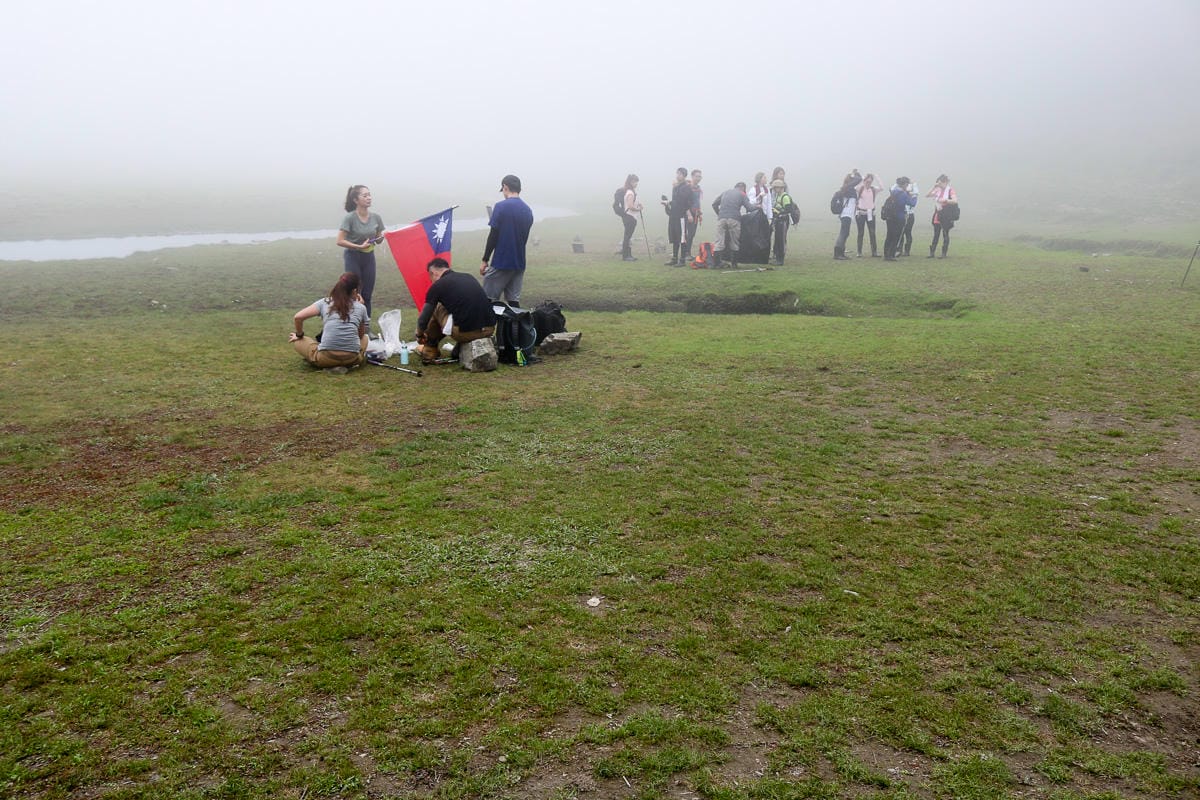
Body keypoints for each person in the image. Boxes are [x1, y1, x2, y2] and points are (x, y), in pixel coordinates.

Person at [416, 258, 497, 363]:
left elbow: (424, 318)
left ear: (433, 273)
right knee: (461, 309)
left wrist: (419, 334)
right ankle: (459, 349)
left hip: (465, 333)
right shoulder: (469, 277)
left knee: (436, 308)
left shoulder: (438, 285)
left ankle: (430, 349)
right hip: (489, 329)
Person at [290, 272, 369, 370]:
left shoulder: (325, 302)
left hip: (325, 359)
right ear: (354, 290)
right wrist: (360, 307)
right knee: (365, 338)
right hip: (352, 359)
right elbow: (360, 335)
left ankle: (324, 358)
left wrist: (299, 335)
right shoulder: (361, 307)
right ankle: (348, 363)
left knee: (299, 341)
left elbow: (298, 317)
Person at [481, 174, 534, 302]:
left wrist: (485, 259)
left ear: (505, 187)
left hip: (502, 262)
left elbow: (493, 235)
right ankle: (514, 323)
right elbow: (523, 239)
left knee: (488, 300)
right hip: (519, 263)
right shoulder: (528, 210)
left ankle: (491, 322)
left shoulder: (501, 207)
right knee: (513, 303)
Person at [336, 185, 385, 319]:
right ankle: (350, 323)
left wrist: (381, 238)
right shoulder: (350, 218)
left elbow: (379, 240)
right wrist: (359, 247)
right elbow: (339, 241)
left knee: (367, 294)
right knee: (354, 293)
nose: (369, 198)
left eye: (369, 195)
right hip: (352, 256)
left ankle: (366, 327)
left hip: (369, 257)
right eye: (365, 195)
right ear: (356, 200)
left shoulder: (376, 217)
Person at [711, 181, 755, 269]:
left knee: (719, 242)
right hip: (734, 219)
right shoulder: (742, 194)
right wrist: (758, 206)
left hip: (722, 219)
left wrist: (719, 214)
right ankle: (734, 264)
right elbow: (749, 208)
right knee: (734, 242)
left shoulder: (725, 192)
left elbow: (714, 204)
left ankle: (716, 264)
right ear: (743, 189)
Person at [662, 167, 693, 266]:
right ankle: (674, 258)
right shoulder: (675, 187)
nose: (677, 176)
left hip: (681, 216)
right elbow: (675, 201)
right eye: (677, 173)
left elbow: (683, 201)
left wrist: (669, 202)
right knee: (674, 237)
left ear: (684, 175)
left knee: (682, 237)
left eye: (680, 174)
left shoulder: (686, 187)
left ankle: (682, 260)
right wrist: (668, 204)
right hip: (674, 215)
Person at [882, 177, 917, 261]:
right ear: (904, 184)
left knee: (889, 235)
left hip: (889, 217)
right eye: (907, 184)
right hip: (899, 217)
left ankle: (886, 254)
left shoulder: (894, 192)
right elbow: (912, 203)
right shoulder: (903, 194)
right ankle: (891, 255)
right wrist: (915, 196)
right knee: (896, 236)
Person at [926, 174, 958, 258]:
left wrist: (946, 200)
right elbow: (927, 195)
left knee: (945, 233)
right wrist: (934, 187)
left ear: (946, 182)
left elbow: (955, 201)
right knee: (936, 233)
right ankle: (932, 252)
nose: (940, 185)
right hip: (938, 213)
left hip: (946, 214)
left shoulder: (950, 190)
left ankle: (944, 253)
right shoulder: (938, 190)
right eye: (939, 183)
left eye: (941, 183)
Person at [833, 170, 862, 260]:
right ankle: (837, 254)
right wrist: (855, 173)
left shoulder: (847, 188)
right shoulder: (848, 187)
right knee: (844, 233)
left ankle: (841, 253)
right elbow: (859, 179)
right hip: (846, 214)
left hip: (847, 214)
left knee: (845, 233)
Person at [855, 173, 883, 258]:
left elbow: (882, 187)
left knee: (872, 233)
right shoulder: (860, 188)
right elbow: (855, 186)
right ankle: (859, 252)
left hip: (870, 214)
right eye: (867, 181)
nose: (868, 183)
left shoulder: (874, 189)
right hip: (860, 213)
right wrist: (863, 179)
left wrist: (877, 177)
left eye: (870, 181)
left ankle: (874, 252)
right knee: (861, 233)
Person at [769, 178, 795, 266]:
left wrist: (779, 213)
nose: (774, 190)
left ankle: (781, 260)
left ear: (780, 188)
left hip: (783, 221)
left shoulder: (785, 197)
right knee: (777, 239)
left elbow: (788, 210)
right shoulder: (778, 196)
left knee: (781, 240)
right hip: (779, 221)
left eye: (775, 188)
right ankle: (777, 258)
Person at [619, 174, 642, 262]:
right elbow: (630, 206)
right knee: (627, 236)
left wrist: (638, 205)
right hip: (630, 217)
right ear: (630, 182)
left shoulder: (630, 191)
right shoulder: (630, 193)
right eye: (635, 182)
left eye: (636, 182)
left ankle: (628, 254)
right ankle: (626, 256)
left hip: (629, 216)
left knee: (628, 236)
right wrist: (638, 209)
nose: (636, 184)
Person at [683, 168, 703, 264]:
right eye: (697, 176)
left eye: (700, 176)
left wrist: (699, 211)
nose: (699, 178)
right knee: (688, 233)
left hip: (696, 213)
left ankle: (688, 252)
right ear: (692, 176)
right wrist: (689, 214)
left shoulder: (698, 188)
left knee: (692, 234)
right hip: (689, 213)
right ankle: (686, 253)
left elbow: (697, 201)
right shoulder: (688, 187)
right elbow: (685, 202)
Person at [898, 178, 919, 256]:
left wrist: (913, 184)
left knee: (908, 232)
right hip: (902, 214)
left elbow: (916, 194)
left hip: (910, 214)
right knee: (901, 232)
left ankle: (907, 251)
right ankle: (899, 250)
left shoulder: (911, 194)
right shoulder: (901, 193)